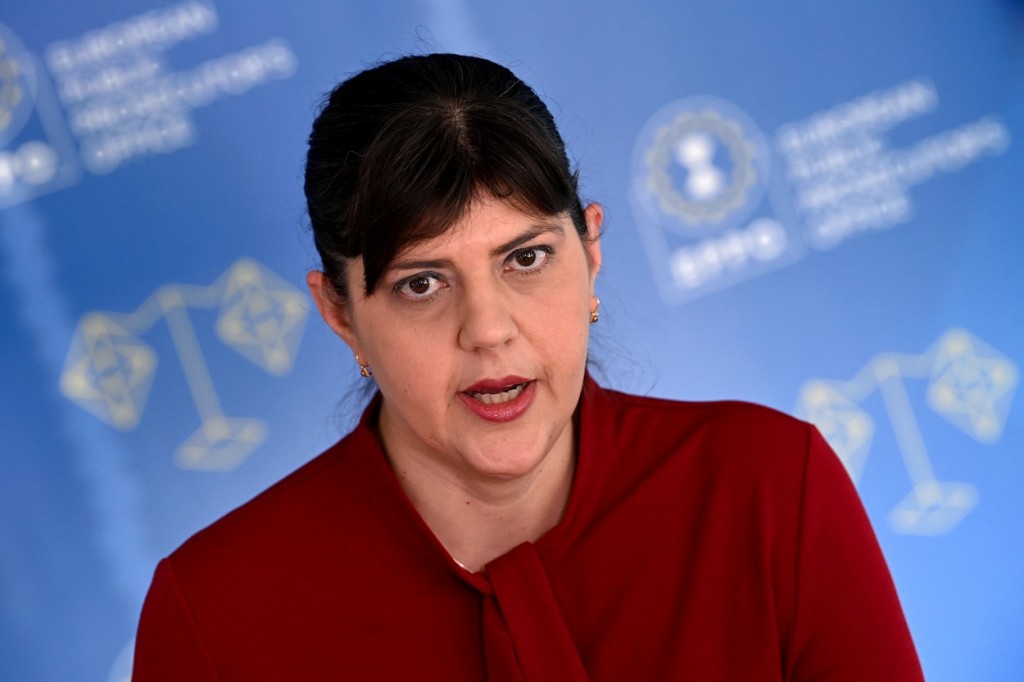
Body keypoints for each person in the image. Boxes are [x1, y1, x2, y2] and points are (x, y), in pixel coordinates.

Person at [132, 53, 924, 681]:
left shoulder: (770, 486)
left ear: (591, 250)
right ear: (340, 314)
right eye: (422, 283)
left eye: (526, 258)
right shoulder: (215, 613)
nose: (488, 330)